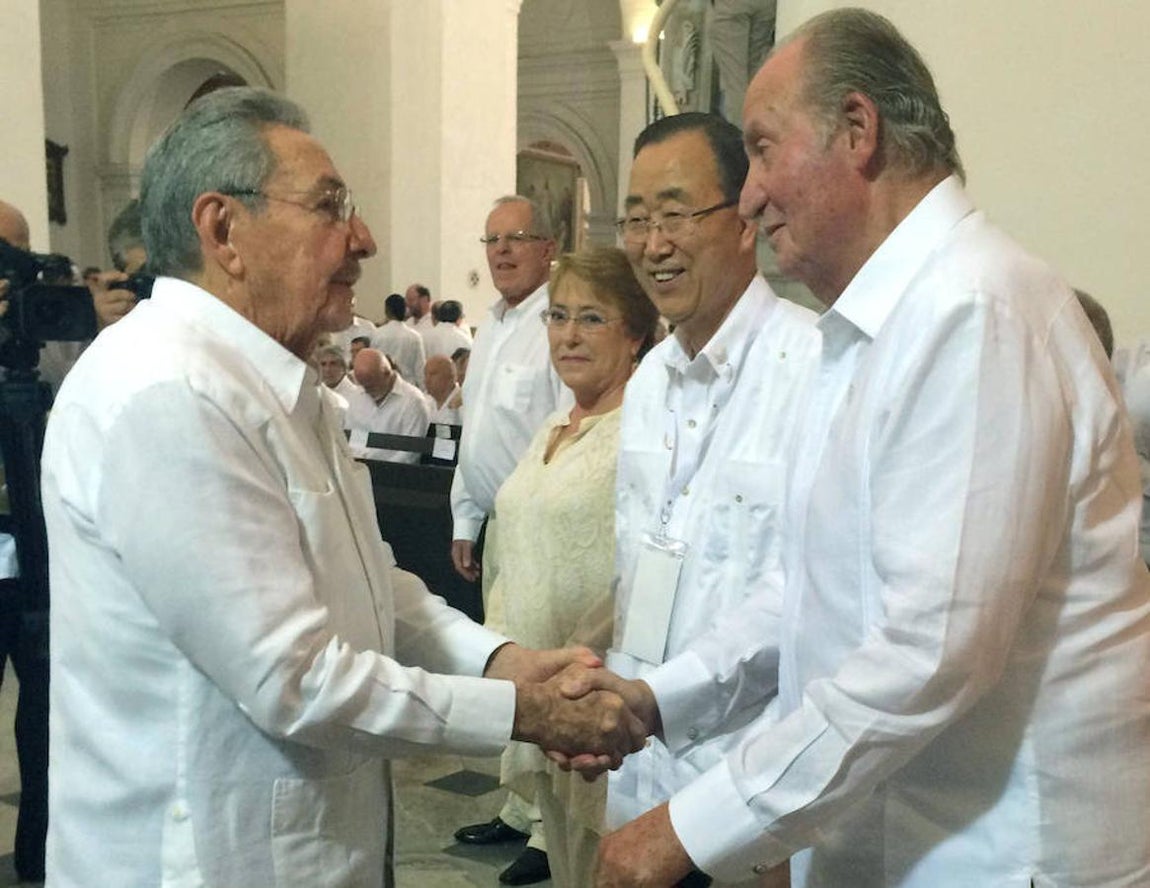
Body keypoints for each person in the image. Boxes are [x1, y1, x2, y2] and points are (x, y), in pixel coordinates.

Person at [587, 9, 1150, 886]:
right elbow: (809, 592)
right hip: (896, 842)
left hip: (996, 855)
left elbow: (927, 652)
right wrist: (660, 698)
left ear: (858, 129)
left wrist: (694, 828)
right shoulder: (866, 333)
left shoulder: (973, 310)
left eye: (765, 150)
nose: (748, 195)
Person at [38, 86, 645, 887]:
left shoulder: (273, 380)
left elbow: (370, 587)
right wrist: (524, 714)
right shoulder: (169, 392)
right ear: (224, 229)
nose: (364, 236)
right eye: (331, 207)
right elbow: (295, 677)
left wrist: (502, 661)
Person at [550, 112, 816, 887]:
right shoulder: (653, 380)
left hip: (747, 789)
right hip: (642, 773)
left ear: (743, 216)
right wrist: (603, 686)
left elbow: (800, 593)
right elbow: (647, 564)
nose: (652, 243)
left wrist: (648, 699)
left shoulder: (812, 367)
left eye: (674, 214)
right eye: (636, 218)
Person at [498, 246, 659, 888]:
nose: (568, 335)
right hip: (537, 691)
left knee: (607, 863)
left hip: (599, 696)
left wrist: (579, 676)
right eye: (558, 316)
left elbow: (641, 567)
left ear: (636, 331)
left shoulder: (641, 428)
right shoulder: (554, 426)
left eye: (591, 319)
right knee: (566, 863)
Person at [450, 195, 571, 884]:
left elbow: (564, 426)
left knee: (547, 674)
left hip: (544, 529)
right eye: (491, 239)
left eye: (516, 238)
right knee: (508, 677)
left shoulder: (557, 318)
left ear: (547, 245)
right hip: (500, 528)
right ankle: (519, 810)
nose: (501, 251)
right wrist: (467, 516)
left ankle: (554, 837)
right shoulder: (493, 324)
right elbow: (475, 430)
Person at [344, 347, 432, 463]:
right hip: (359, 469)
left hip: (396, 473)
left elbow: (410, 453)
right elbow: (351, 438)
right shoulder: (357, 395)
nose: (367, 390)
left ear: (387, 373)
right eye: (363, 385)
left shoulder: (413, 401)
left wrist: (378, 468)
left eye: (371, 385)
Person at [373, 291, 427, 389]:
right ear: (404, 310)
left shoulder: (377, 334)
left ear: (387, 311)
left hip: (384, 386)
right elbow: (420, 370)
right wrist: (424, 391)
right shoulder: (414, 336)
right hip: (409, 387)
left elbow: (374, 364)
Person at [424, 353, 462, 425]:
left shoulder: (463, 403)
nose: (427, 380)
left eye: (433, 374)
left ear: (450, 377)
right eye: (426, 374)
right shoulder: (424, 400)